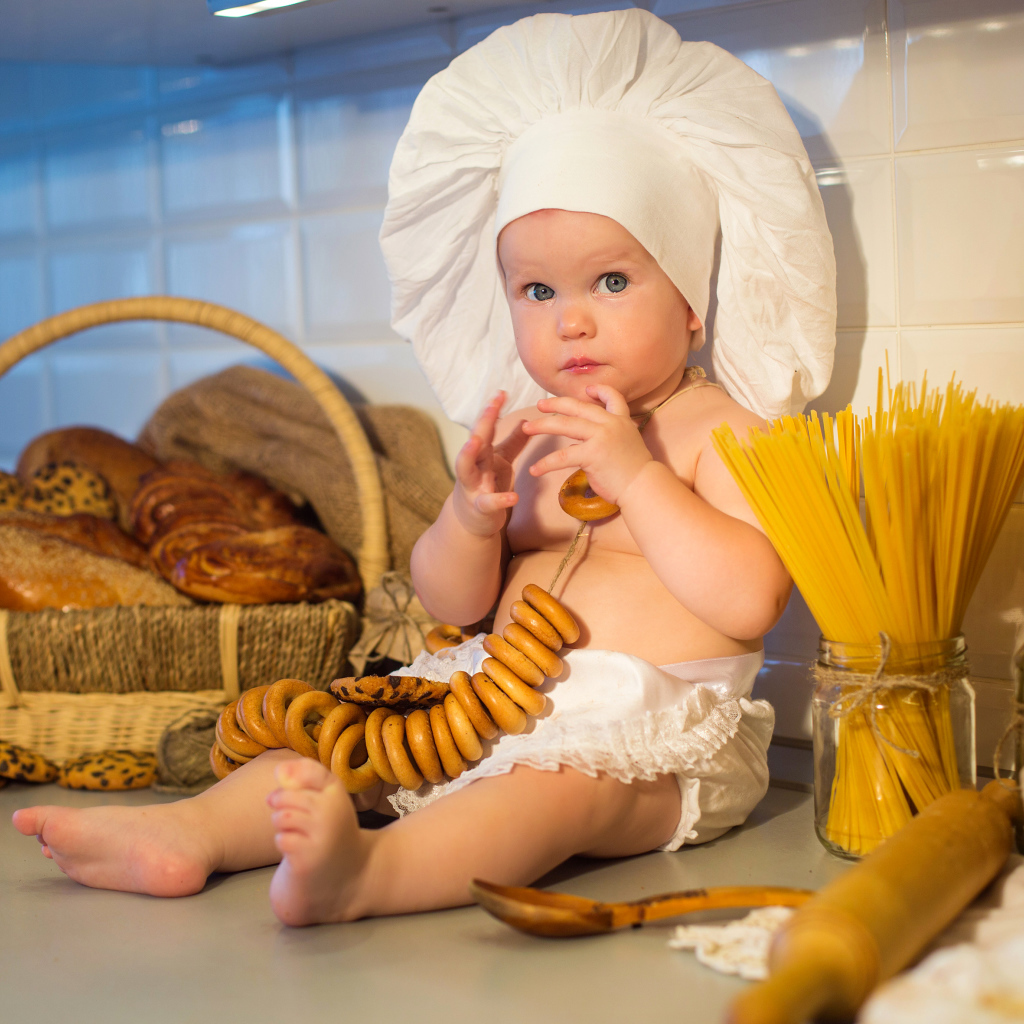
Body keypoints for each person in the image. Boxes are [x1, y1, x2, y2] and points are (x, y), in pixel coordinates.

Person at [12, 9, 836, 927]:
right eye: (537, 290)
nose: (572, 320)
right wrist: (471, 519)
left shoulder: (719, 428)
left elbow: (750, 598)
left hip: (650, 743)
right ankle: (191, 835)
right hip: (486, 701)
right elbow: (450, 603)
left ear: (690, 300)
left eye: (611, 282)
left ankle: (370, 873)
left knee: (551, 794)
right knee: (343, 746)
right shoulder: (533, 434)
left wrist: (638, 478)